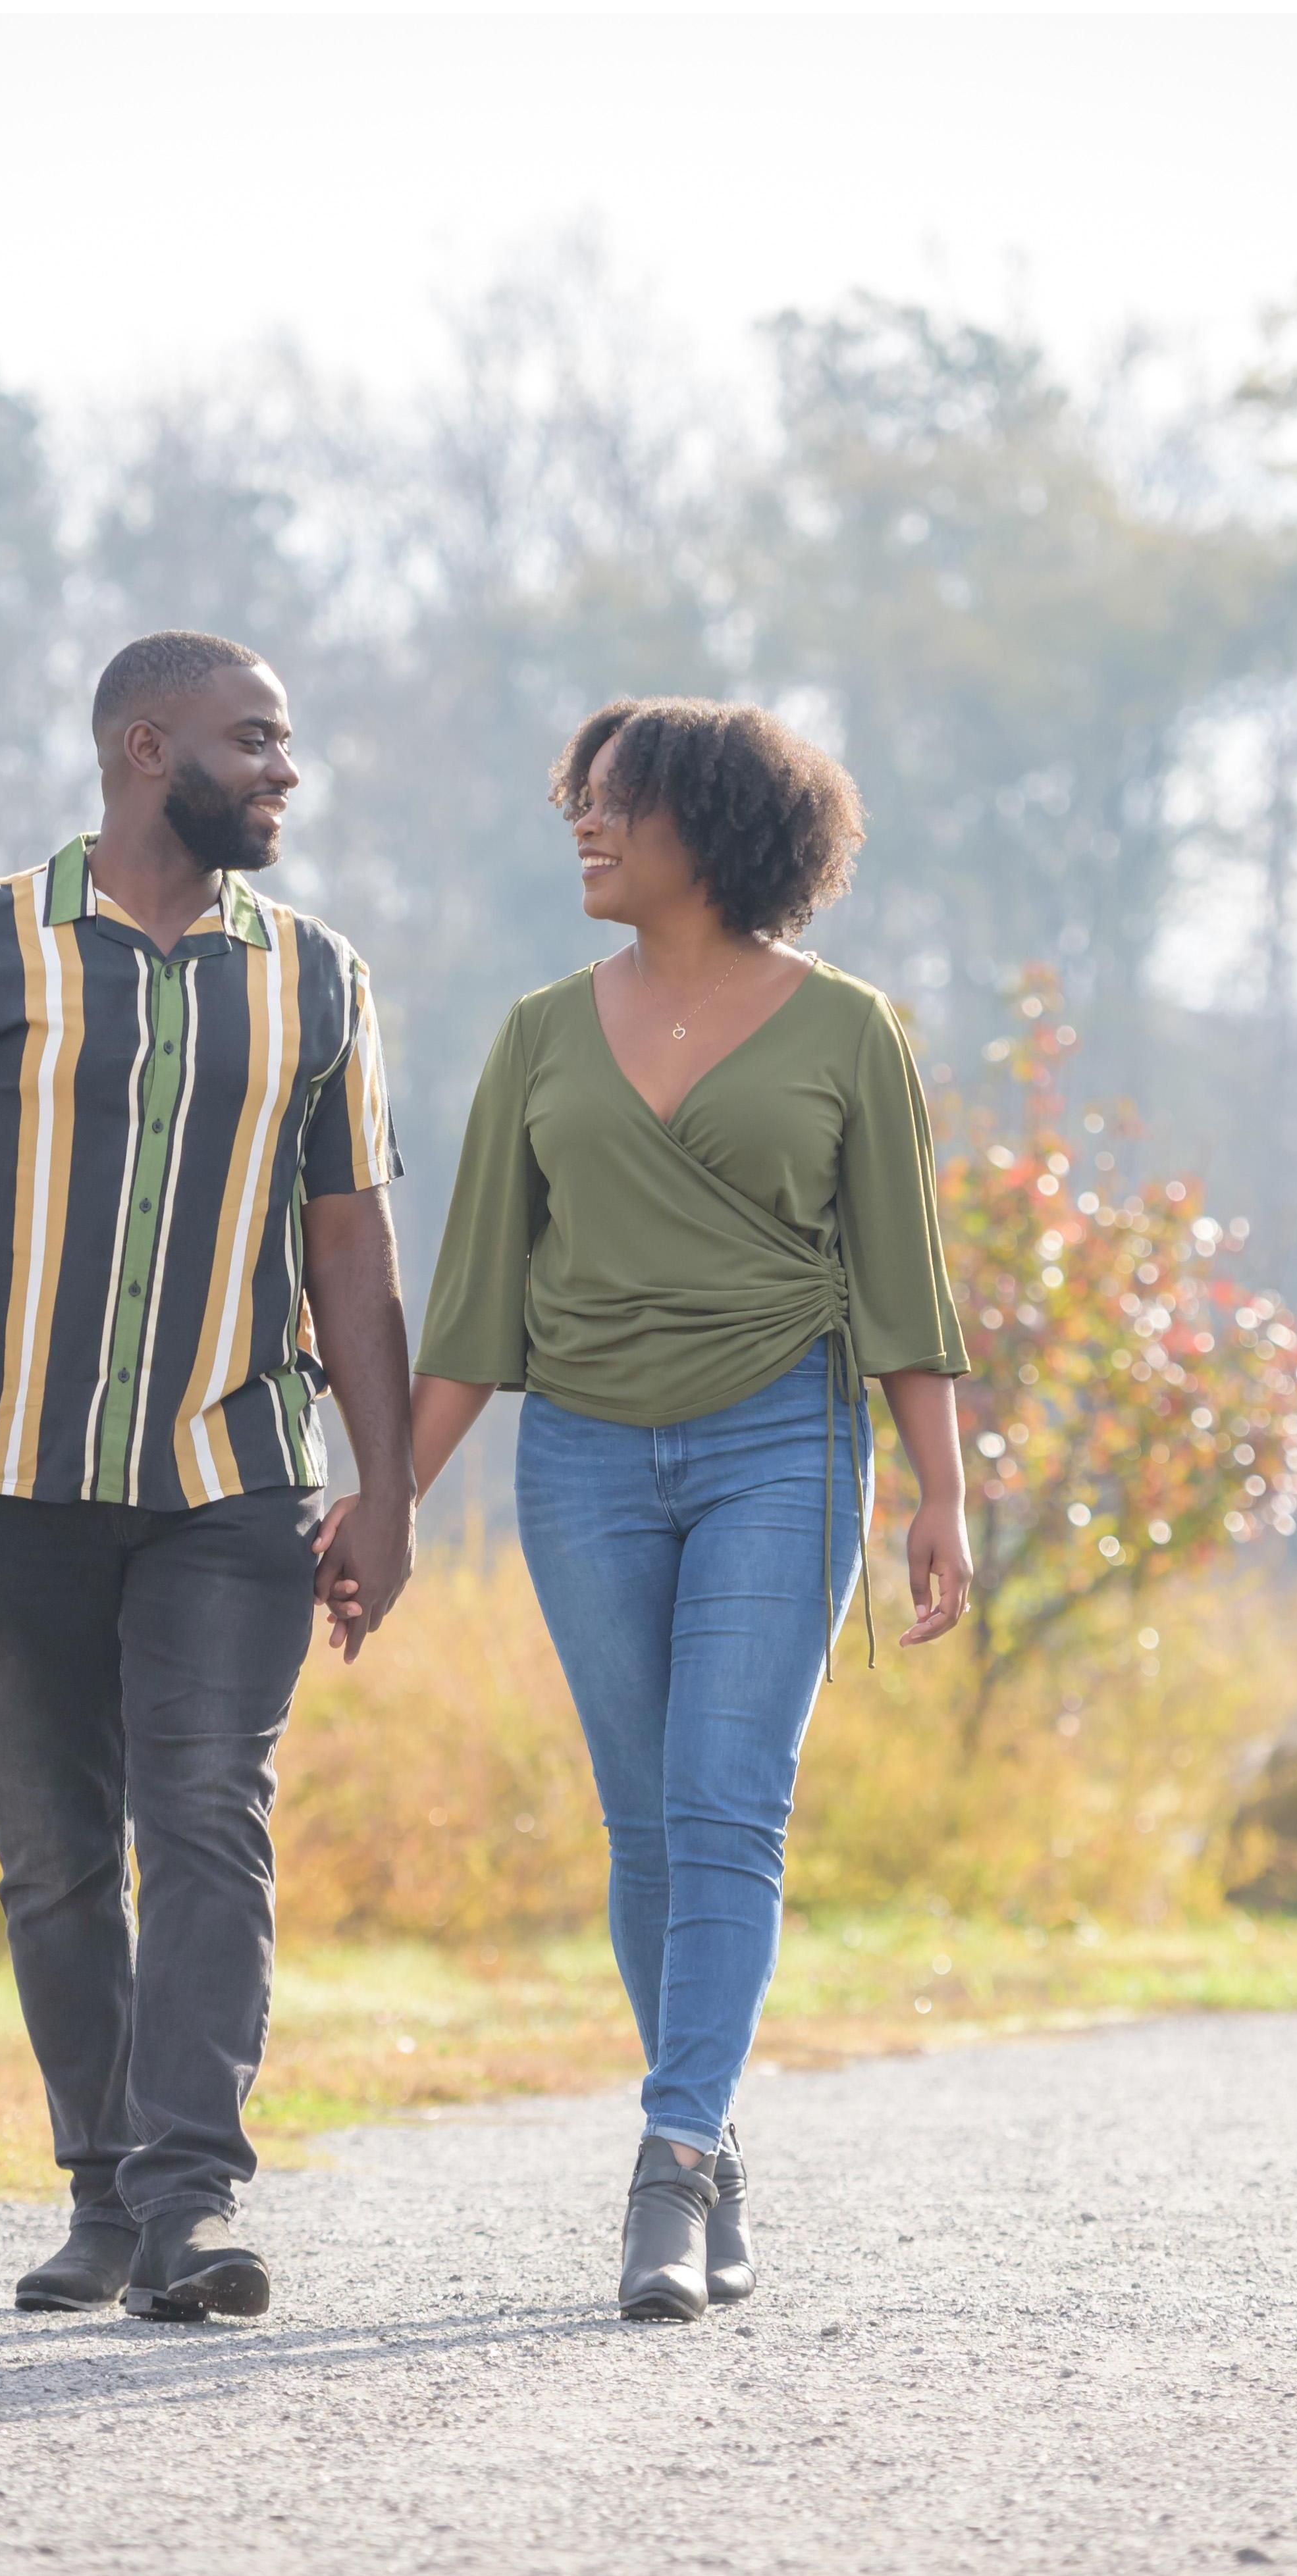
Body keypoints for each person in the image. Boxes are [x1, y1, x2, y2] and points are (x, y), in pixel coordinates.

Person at [360, 696, 971, 2322]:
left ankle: (670, 2153)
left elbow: (903, 1280)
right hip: (579, 1454)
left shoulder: (846, 1032)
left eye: (621, 802)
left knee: (723, 1798)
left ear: (717, 825)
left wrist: (939, 1492)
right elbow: (477, 1295)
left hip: (785, 1436)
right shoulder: (540, 1032)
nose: (586, 826)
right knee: (642, 1818)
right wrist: (388, 1508)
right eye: (580, 798)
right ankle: (703, 2141)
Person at [0, 632, 413, 2325]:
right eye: (258, 739)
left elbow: (352, 1245)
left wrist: (386, 1489)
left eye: (287, 742)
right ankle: (99, 2188)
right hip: (6, 1480)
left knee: (207, 1819)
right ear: (148, 747)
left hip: (233, 1478)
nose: (287, 771)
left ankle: (192, 2196)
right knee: (53, 1846)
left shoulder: (319, 976)